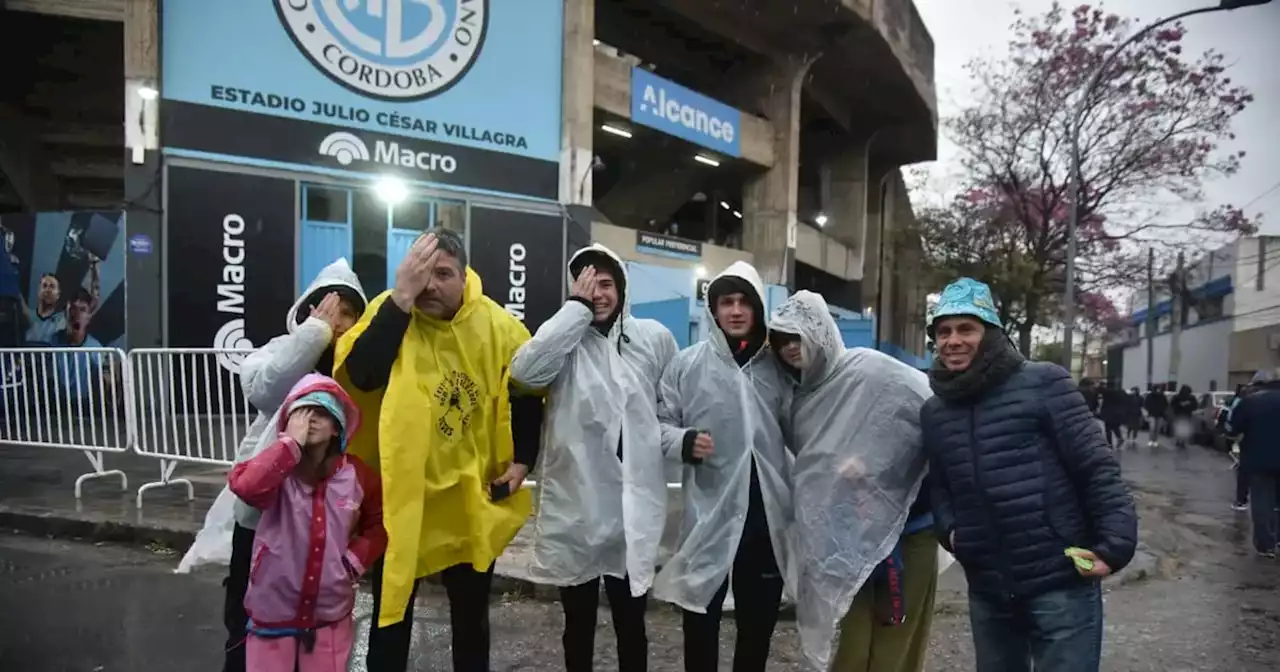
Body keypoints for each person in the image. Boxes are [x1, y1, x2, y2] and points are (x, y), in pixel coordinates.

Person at [335, 229, 543, 672]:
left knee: (470, 617)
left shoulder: (500, 327)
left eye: (443, 274)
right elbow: (362, 373)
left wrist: (523, 459)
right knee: (392, 609)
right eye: (422, 273)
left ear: (465, 275)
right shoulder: (392, 311)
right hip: (402, 497)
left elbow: (528, 392)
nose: (430, 285)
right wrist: (400, 301)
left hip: (468, 495)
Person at [922, 278, 1137, 672]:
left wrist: (1114, 546)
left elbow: (1095, 466)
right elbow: (941, 485)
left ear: (991, 333)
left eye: (966, 328)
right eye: (943, 331)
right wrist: (952, 533)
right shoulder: (935, 411)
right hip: (988, 586)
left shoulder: (1043, 383)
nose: (953, 340)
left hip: (1059, 580)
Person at [178, 259, 367, 672]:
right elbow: (265, 390)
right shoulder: (280, 351)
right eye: (327, 311)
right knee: (247, 624)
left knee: (317, 632)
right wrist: (313, 337)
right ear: (308, 312)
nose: (337, 322)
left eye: (348, 314)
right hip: (264, 517)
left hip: (325, 522)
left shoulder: (358, 369)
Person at [509, 244, 677, 672]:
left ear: (622, 287)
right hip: (578, 505)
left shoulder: (652, 338)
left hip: (629, 507)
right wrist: (575, 311)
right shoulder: (564, 338)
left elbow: (669, 406)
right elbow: (525, 373)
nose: (598, 293)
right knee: (578, 623)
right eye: (587, 284)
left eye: (605, 283)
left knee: (631, 624)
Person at [769, 290, 935, 672]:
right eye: (781, 341)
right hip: (844, 540)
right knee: (852, 644)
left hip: (910, 533)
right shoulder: (799, 401)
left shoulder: (871, 370)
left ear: (821, 333)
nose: (790, 348)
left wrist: (881, 470)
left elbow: (934, 418)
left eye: (798, 337)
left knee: (898, 643)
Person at [654, 261, 793, 672]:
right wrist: (683, 441)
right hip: (707, 513)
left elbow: (808, 425)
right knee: (700, 620)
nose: (735, 311)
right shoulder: (687, 364)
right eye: (725, 302)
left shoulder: (779, 367)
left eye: (744, 302)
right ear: (713, 310)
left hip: (765, 519)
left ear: (758, 309)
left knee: (757, 625)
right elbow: (657, 425)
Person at [228, 373, 384, 671]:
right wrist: (289, 445)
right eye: (302, 413)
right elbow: (246, 487)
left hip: (330, 614)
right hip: (273, 609)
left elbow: (379, 524)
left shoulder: (357, 475)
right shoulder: (276, 469)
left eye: (321, 413)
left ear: (338, 426)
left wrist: (352, 562)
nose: (310, 420)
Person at [1224, 369, 1280, 558]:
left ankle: (1266, 544)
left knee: (1262, 502)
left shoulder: (1250, 402)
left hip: (1259, 460)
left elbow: (1231, 429)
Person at [1170, 384, 1198, 449]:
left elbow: (1195, 406)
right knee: (1182, 429)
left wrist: (1188, 404)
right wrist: (1180, 405)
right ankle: (1180, 441)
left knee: (1182, 429)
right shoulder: (1178, 398)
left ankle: (1181, 442)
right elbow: (1172, 405)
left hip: (1183, 415)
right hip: (1181, 415)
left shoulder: (1190, 398)